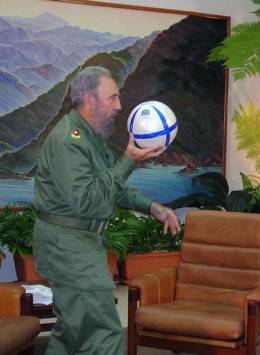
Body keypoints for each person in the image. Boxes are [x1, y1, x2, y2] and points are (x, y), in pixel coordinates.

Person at [32, 66, 180, 355]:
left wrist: (152, 207)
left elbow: (110, 184)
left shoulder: (90, 137)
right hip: (70, 250)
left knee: (70, 334)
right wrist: (127, 159)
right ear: (89, 99)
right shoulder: (68, 141)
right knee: (104, 335)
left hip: (76, 245)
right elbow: (87, 200)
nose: (119, 106)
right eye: (112, 98)